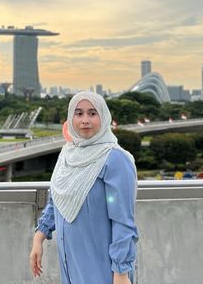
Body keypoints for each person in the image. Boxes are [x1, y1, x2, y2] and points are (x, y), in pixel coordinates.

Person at [29, 91, 138, 284]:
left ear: (103, 117)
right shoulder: (67, 154)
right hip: (70, 266)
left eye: (92, 113)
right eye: (79, 114)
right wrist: (39, 236)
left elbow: (123, 220)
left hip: (103, 267)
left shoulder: (114, 159)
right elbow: (58, 200)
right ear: (71, 118)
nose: (85, 120)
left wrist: (121, 272)